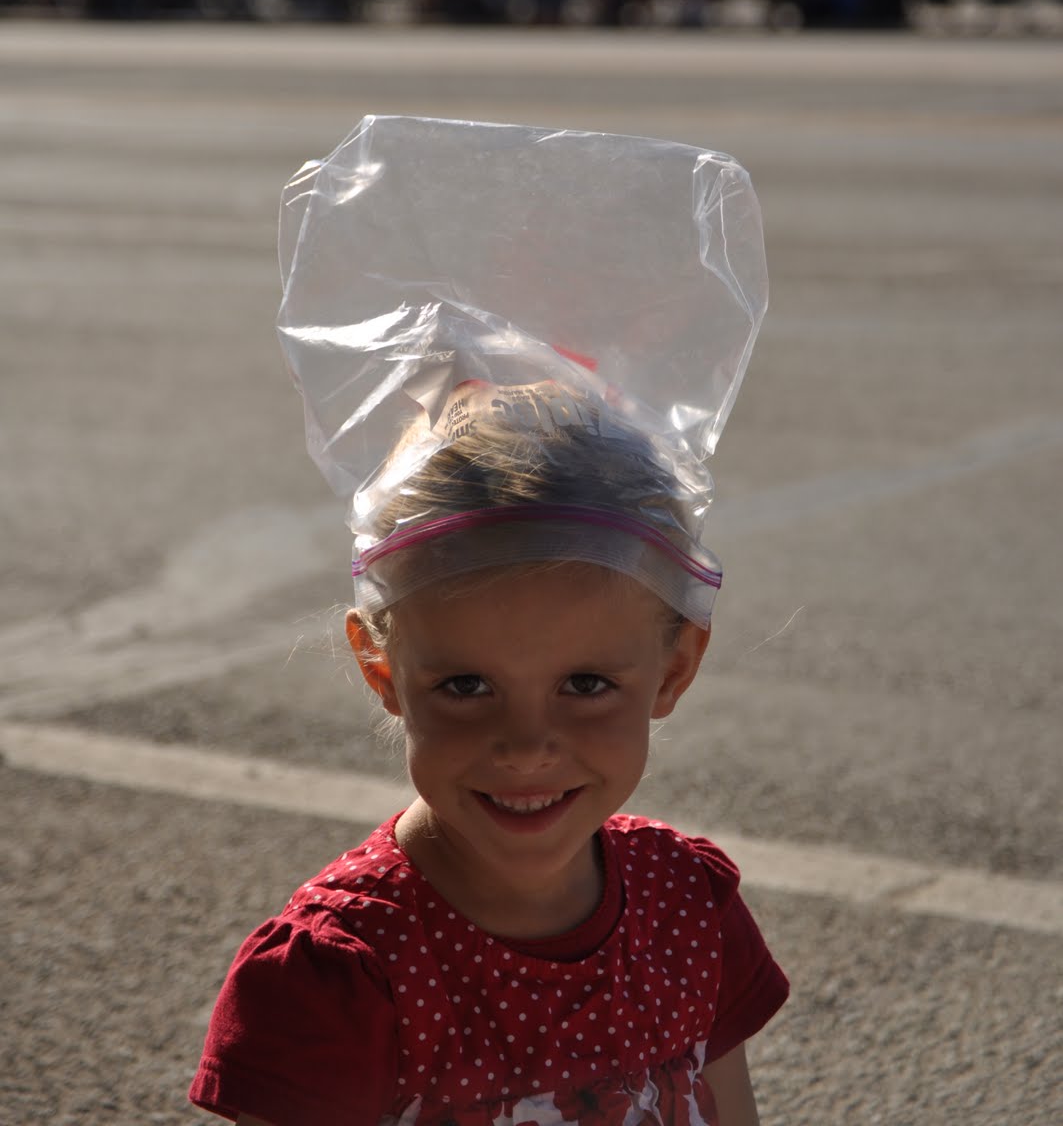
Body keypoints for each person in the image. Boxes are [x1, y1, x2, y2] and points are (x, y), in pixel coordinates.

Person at [190, 119, 786, 1126]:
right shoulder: (336, 985)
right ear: (381, 666)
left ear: (675, 666)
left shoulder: (690, 913)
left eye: (587, 683)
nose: (524, 742)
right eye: (463, 684)